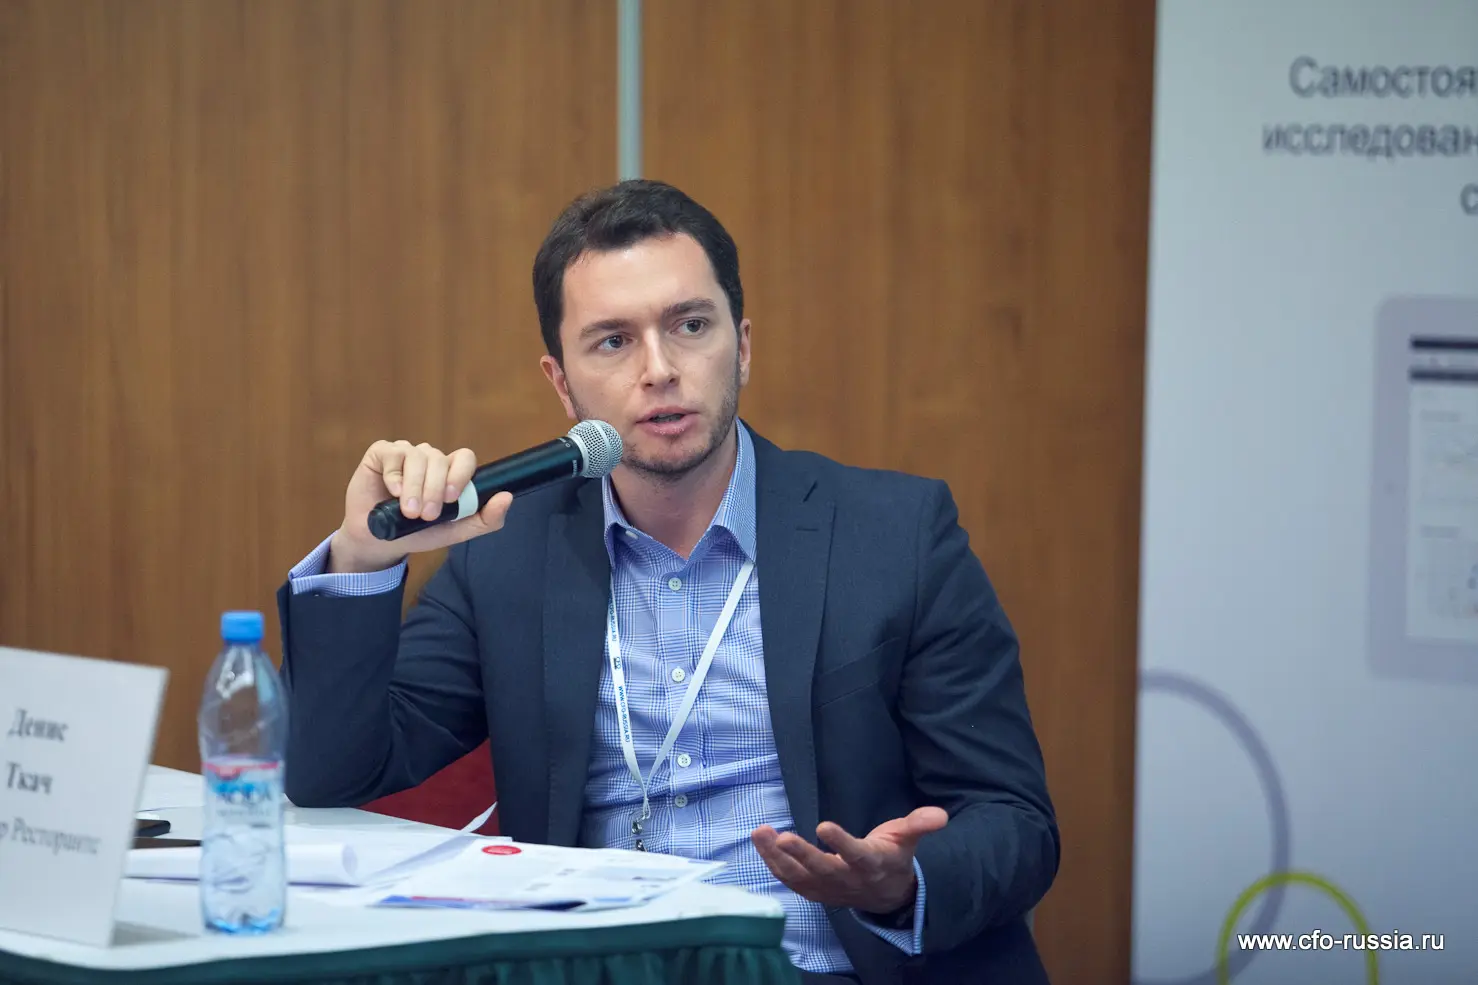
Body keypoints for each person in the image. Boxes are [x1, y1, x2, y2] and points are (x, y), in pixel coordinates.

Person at [277, 179, 1059, 984]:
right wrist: (361, 557)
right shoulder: (505, 553)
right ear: (561, 383)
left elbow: (1015, 818)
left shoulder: (896, 536)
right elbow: (334, 773)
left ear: (742, 346)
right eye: (613, 341)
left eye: (690, 325)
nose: (659, 369)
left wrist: (900, 885)